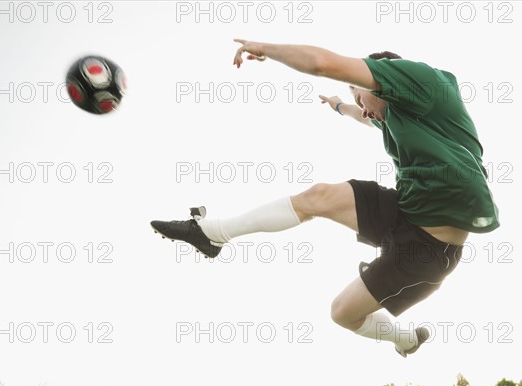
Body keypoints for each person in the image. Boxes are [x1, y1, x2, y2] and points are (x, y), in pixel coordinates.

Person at [151, 40, 500, 357]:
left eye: (361, 95)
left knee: (342, 314)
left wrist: (265, 49)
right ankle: (211, 234)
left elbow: (321, 62)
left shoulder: (422, 83)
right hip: (403, 212)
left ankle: (404, 339)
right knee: (318, 196)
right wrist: (338, 106)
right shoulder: (396, 116)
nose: (363, 107)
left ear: (382, 81)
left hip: (429, 248)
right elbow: (362, 117)